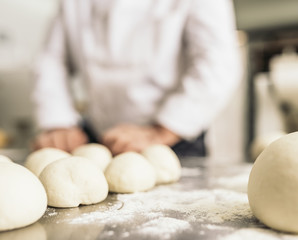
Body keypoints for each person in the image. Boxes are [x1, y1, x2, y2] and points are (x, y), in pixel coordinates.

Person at [31, 0, 241, 157]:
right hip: (100, 139)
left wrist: (160, 132)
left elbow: (217, 64)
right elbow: (51, 61)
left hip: (173, 139)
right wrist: (58, 123)